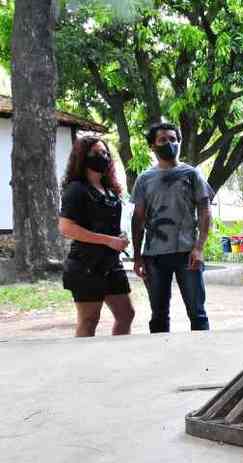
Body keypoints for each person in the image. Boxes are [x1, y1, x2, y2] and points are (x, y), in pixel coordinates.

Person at [132, 122, 214, 333]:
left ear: (179, 142)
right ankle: (161, 358)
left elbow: (205, 212)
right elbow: (138, 219)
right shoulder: (144, 179)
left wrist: (199, 247)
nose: (169, 143)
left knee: (197, 312)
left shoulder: (192, 174)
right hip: (154, 256)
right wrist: (137, 256)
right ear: (152, 146)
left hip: (187, 254)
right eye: (162, 140)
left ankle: (204, 360)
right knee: (158, 315)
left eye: (173, 139)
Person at [58, 137, 135, 337]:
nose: (103, 157)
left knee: (126, 314)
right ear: (83, 157)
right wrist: (109, 240)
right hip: (85, 265)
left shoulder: (110, 191)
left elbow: (106, 227)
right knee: (89, 319)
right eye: (96, 153)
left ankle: (115, 359)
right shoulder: (76, 189)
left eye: (105, 153)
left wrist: (119, 237)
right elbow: (66, 227)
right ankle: (82, 366)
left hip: (111, 264)